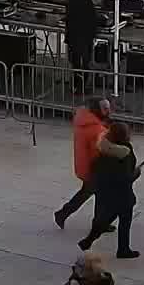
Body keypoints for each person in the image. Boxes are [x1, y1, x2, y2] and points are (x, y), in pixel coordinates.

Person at [79, 122, 141, 259]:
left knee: (107, 218)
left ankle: (88, 240)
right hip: (123, 195)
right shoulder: (125, 152)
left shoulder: (103, 148)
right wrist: (136, 173)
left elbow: (97, 168)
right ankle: (123, 249)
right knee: (125, 221)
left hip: (107, 192)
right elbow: (126, 177)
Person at [55, 96, 111, 229]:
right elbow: (101, 151)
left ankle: (63, 214)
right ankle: (98, 223)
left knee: (90, 194)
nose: (109, 110)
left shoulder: (84, 122)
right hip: (95, 168)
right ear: (97, 109)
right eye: (105, 108)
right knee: (99, 196)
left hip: (86, 166)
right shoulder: (96, 129)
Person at [64, 0, 99, 82]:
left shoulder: (72, 1)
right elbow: (92, 20)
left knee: (76, 61)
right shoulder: (87, 4)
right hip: (84, 37)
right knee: (85, 62)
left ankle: (77, 83)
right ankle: (82, 84)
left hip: (73, 36)